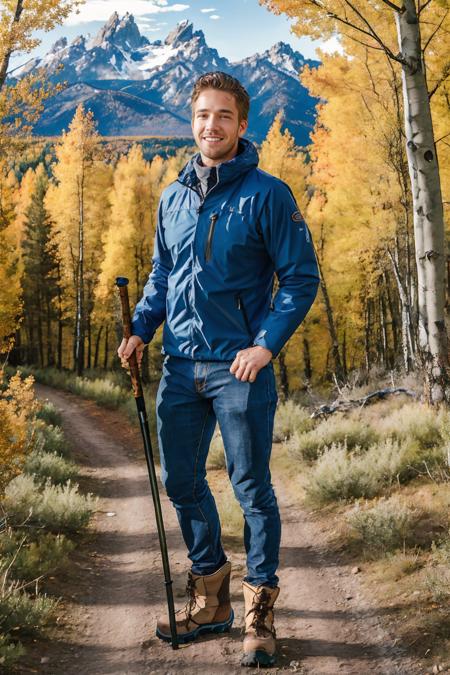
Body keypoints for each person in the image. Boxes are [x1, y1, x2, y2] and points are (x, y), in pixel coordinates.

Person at [118, 71, 320, 668]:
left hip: (241, 369)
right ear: (193, 120)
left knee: (251, 488)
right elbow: (162, 276)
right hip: (180, 368)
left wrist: (265, 346)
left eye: (224, 116)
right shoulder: (172, 196)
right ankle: (212, 601)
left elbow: (300, 279)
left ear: (241, 124)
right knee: (181, 481)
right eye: (203, 114)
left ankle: (260, 614)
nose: (212, 125)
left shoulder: (268, 194)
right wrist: (138, 329)